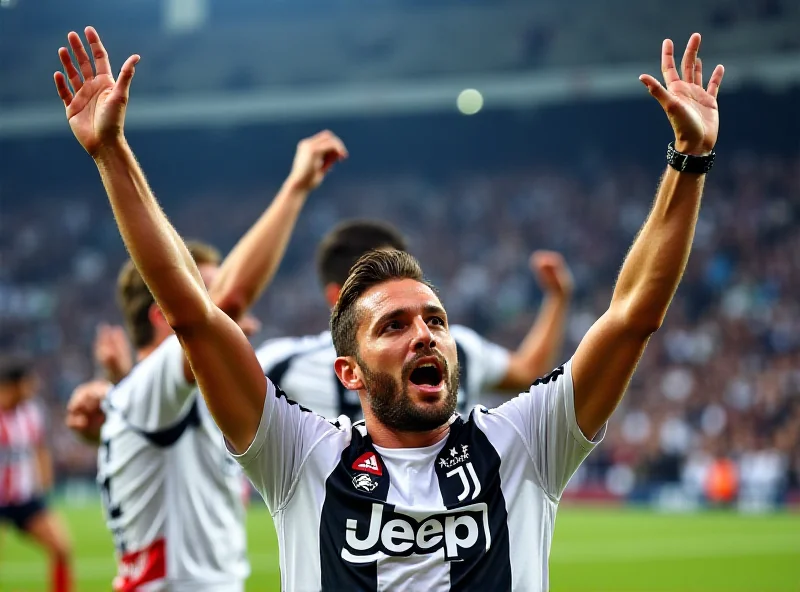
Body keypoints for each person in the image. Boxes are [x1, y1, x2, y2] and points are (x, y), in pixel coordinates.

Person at [55, 26, 723, 591]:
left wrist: (688, 160)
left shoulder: (523, 443)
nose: (424, 335)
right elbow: (196, 315)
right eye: (394, 325)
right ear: (348, 371)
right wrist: (113, 154)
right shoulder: (300, 458)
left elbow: (634, 313)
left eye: (434, 320)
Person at [58, 35, 348, 587]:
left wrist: (113, 388)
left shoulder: (149, 396)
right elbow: (224, 307)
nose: (237, 322)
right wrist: (295, 187)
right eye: (205, 303)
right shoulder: (153, 388)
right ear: (167, 317)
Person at [256, 220, 574, 419]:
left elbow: (527, 370)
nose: (422, 335)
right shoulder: (283, 365)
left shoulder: (458, 347)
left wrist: (557, 299)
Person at [0, 356, 72, 592]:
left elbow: (40, 449)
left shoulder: (32, 412)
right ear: (13, 385)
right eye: (28, 383)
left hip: (24, 498)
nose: (33, 387)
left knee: (62, 548)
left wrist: (45, 488)